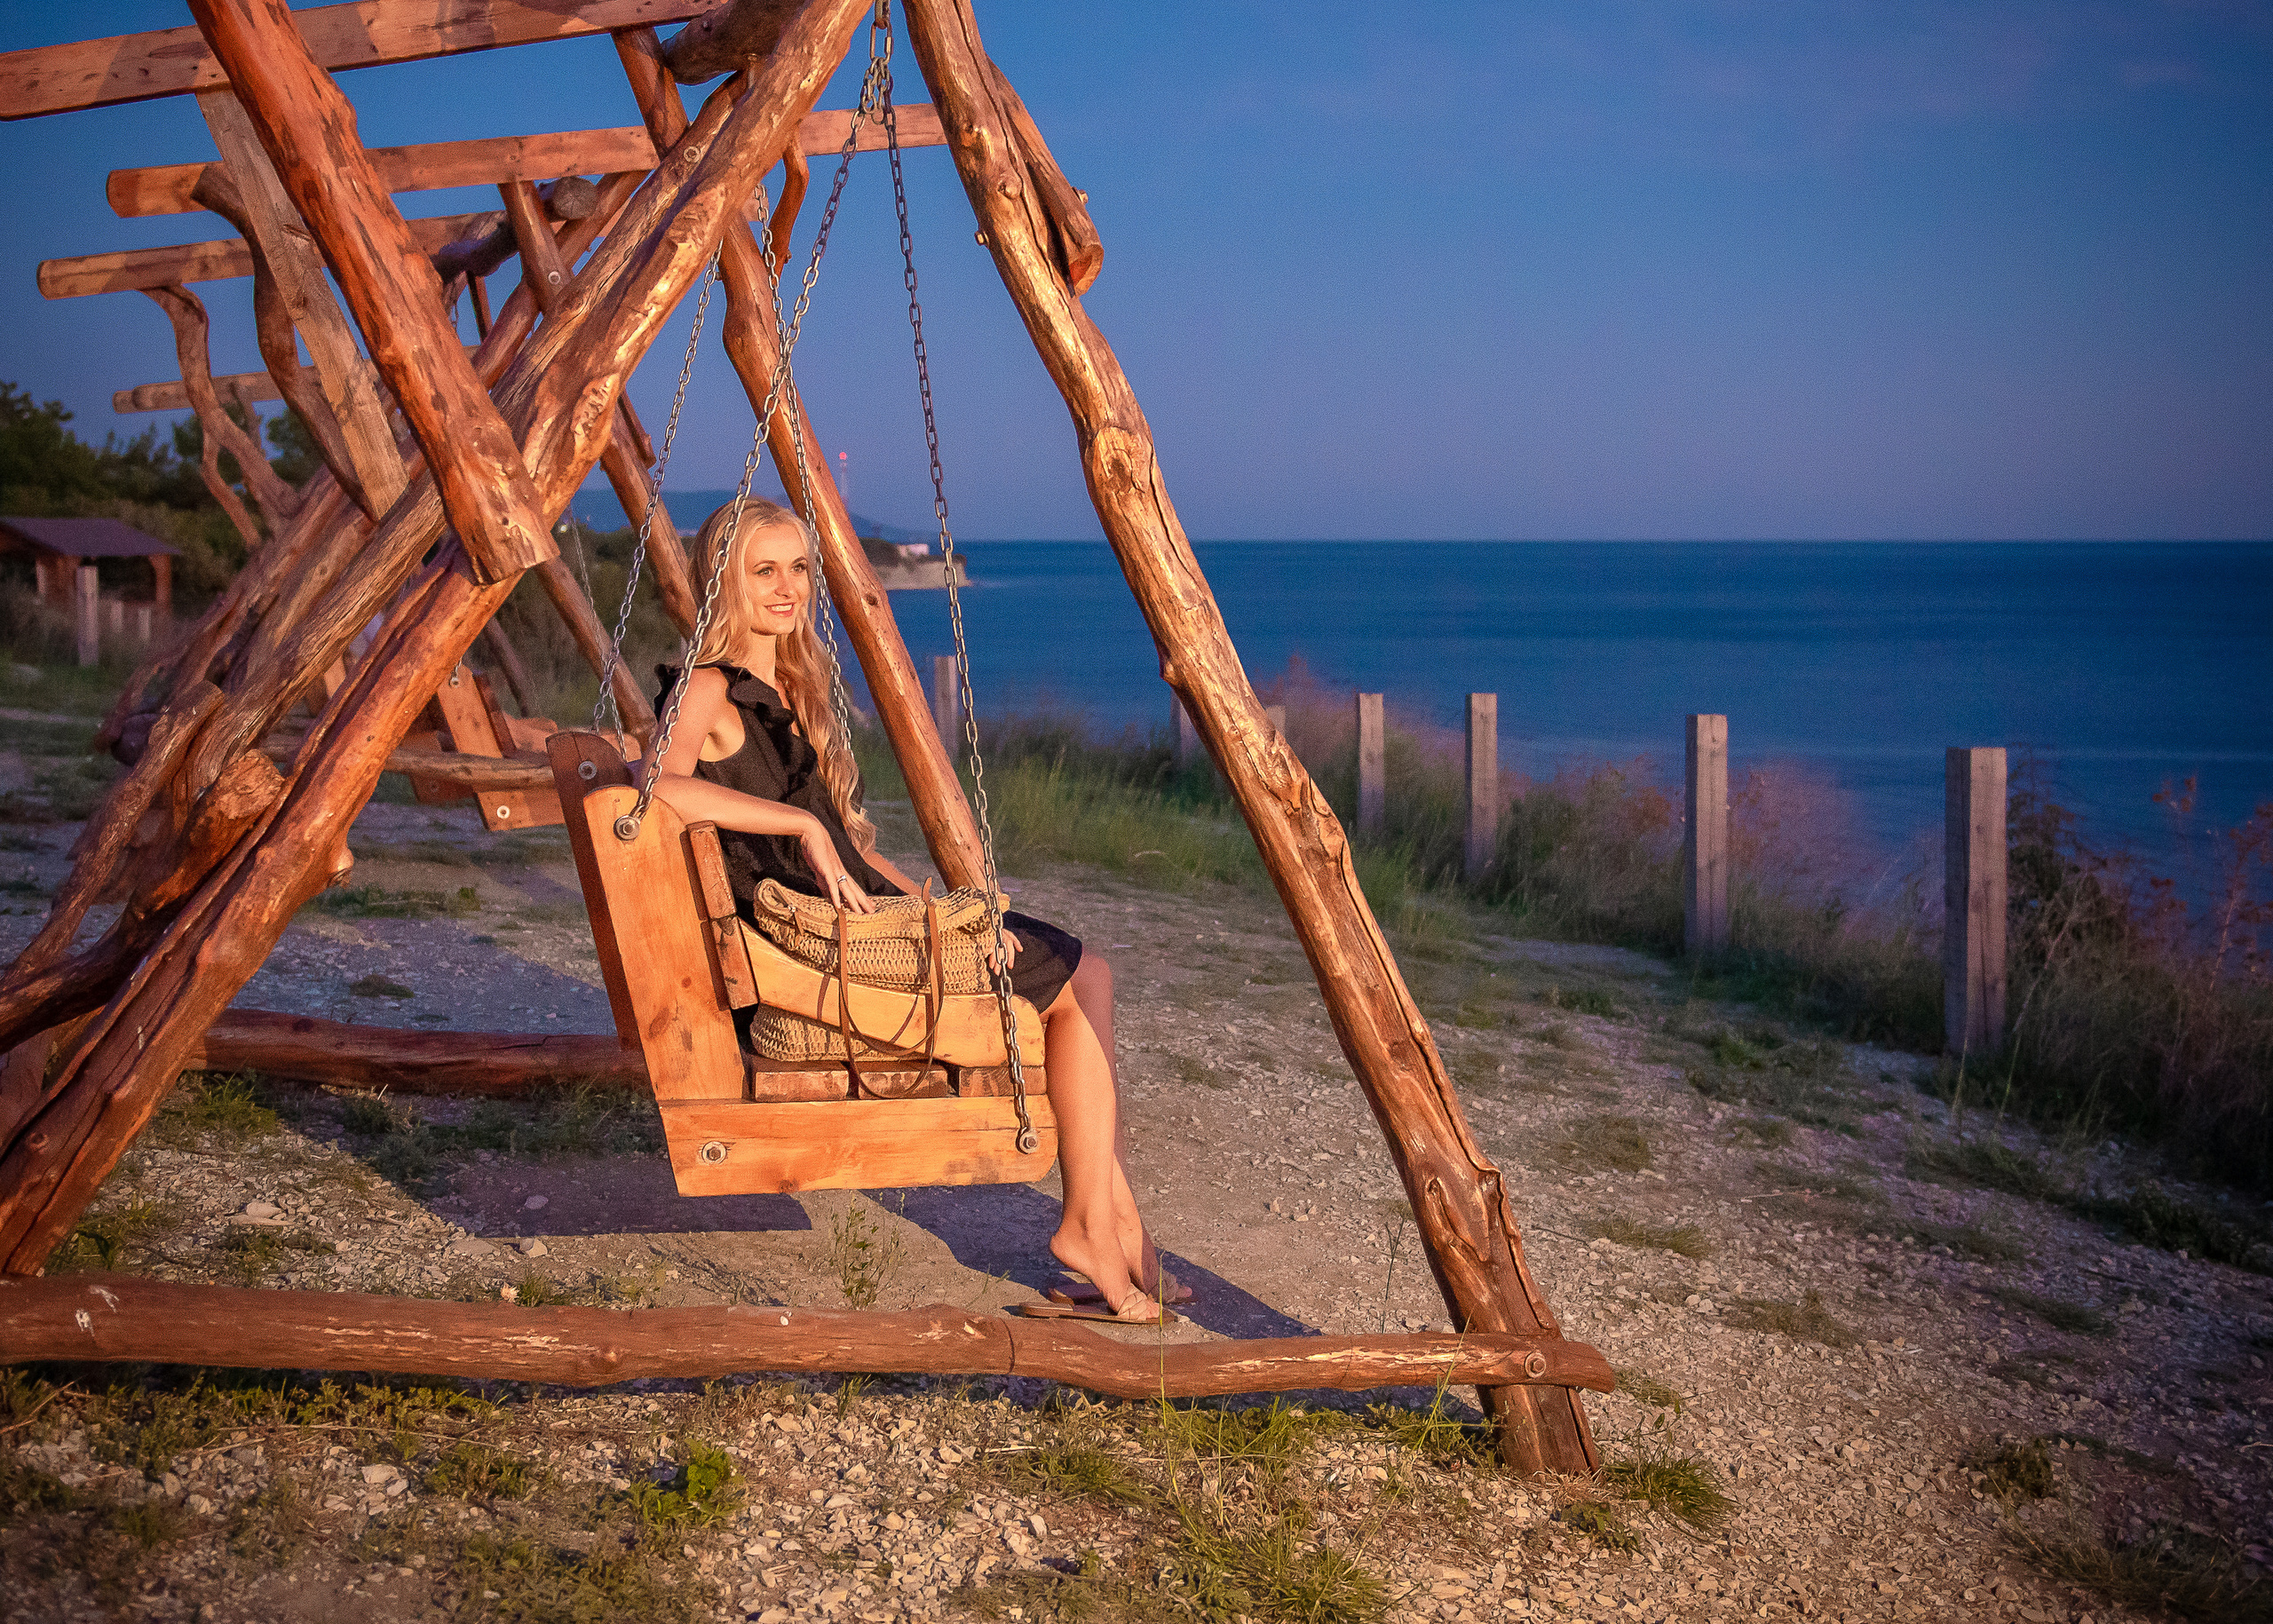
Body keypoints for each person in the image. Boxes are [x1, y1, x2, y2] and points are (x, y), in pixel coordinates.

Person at [649, 497, 1182, 1323]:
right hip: (807, 950)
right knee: (1072, 984)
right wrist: (796, 823)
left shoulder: (775, 689)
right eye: (764, 570)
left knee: (1087, 970)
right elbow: (656, 792)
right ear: (723, 581)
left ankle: (1116, 1223)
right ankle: (1091, 1230)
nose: (787, 588)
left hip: (846, 927)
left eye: (798, 568)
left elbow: (850, 853)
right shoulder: (708, 689)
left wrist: (952, 916)